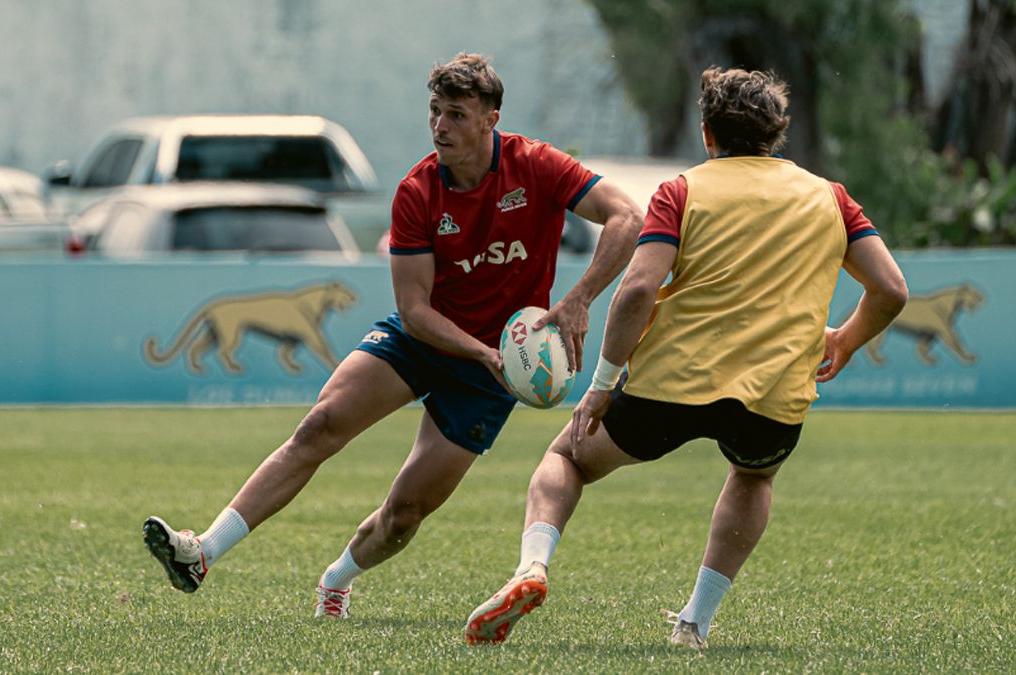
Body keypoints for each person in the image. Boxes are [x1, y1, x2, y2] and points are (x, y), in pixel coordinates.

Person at [141, 53, 642, 618]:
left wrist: (579, 300)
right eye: (434, 111)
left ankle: (336, 579)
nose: (439, 126)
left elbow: (627, 215)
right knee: (319, 426)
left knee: (405, 514)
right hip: (426, 341)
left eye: (455, 114)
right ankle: (201, 552)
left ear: (489, 120)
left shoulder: (537, 165)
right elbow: (413, 308)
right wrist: (480, 349)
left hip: (488, 377)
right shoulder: (417, 191)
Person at [464, 66, 908, 648]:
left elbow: (639, 289)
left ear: (707, 134)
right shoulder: (830, 197)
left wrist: (601, 383)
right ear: (778, 131)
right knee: (753, 475)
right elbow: (892, 290)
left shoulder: (682, 190)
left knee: (567, 459)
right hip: (773, 396)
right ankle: (695, 622)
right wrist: (845, 340)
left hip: (668, 387)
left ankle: (532, 569)